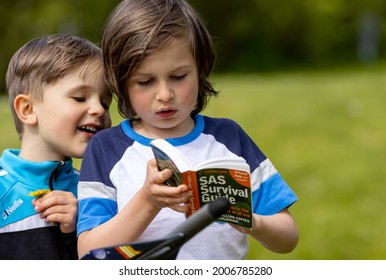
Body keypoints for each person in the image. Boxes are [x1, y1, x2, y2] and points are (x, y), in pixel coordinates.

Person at [77, 0, 299, 259]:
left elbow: (288, 237)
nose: (164, 94)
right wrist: (148, 202)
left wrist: (251, 221)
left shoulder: (229, 138)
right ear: (121, 83)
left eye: (179, 76)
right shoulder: (107, 148)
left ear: (200, 69)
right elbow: (88, 252)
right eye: (145, 81)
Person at [0, 34, 113, 259]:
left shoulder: (96, 190)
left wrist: (81, 228)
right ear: (28, 109)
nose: (99, 110)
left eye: (104, 103)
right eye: (80, 98)